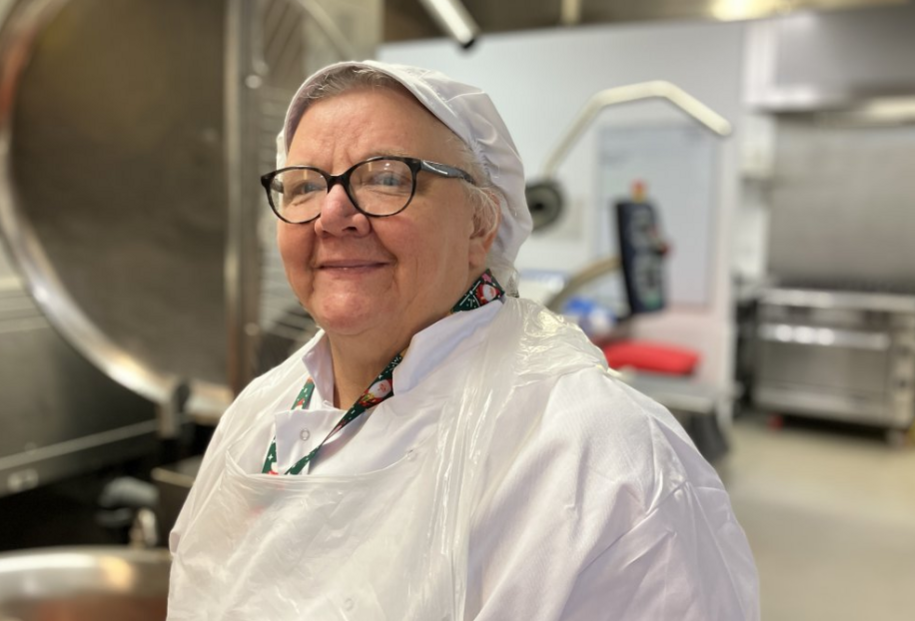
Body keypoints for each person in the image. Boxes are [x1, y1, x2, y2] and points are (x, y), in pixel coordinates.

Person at [168, 60, 759, 620]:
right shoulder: (258, 413)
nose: (331, 215)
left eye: (386, 177)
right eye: (302, 187)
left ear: (481, 224)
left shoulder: (603, 460)